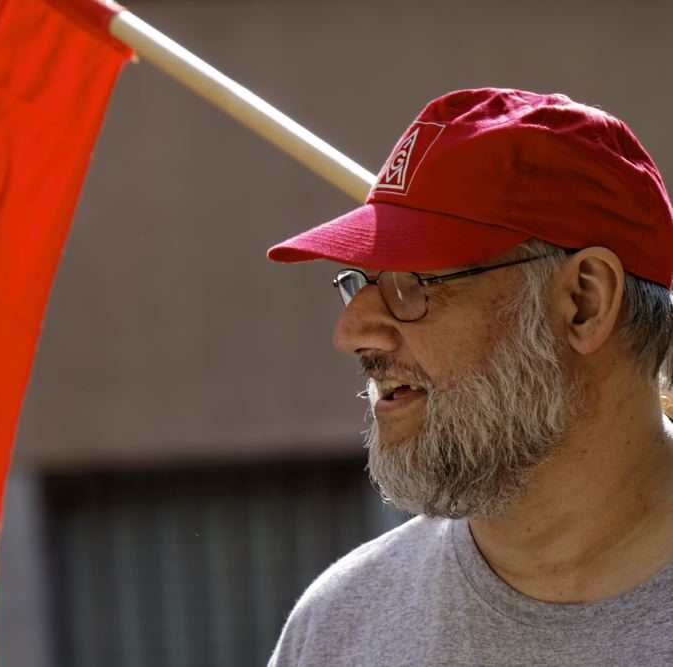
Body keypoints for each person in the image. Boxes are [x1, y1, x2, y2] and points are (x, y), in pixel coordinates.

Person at [265, 88, 673, 665]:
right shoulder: (339, 628)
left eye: (412, 282)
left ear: (585, 301)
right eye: (362, 281)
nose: (351, 332)